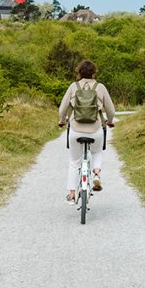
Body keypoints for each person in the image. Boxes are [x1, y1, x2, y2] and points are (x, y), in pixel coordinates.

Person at [58, 60, 116, 203]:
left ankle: (72, 195)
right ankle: (96, 173)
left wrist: (62, 120)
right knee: (96, 152)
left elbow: (62, 108)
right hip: (95, 129)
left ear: (79, 72)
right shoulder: (100, 87)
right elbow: (111, 110)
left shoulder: (73, 86)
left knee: (74, 162)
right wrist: (109, 120)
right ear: (94, 72)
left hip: (76, 130)